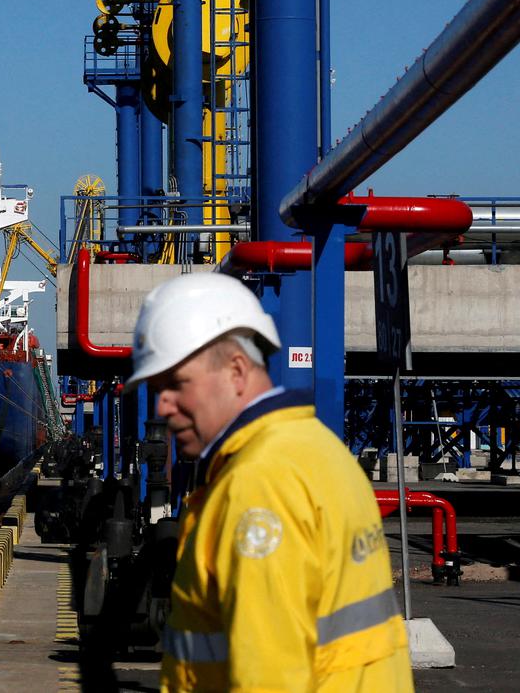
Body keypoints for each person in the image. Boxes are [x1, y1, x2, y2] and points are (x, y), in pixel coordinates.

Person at [126, 272, 413, 692]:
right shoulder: (316, 447)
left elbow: (270, 675)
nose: (162, 404)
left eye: (176, 384)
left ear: (236, 371)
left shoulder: (258, 484)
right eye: (157, 388)